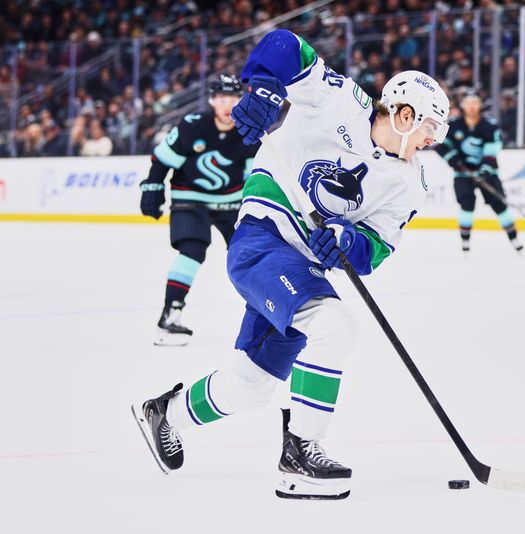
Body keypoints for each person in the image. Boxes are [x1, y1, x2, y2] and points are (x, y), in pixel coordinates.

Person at [132, 29, 450, 500]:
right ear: (405, 114)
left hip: (301, 270)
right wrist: (264, 88)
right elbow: (283, 44)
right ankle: (302, 452)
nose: (430, 141)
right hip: (261, 241)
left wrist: (346, 240)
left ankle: (167, 413)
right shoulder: (340, 100)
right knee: (336, 325)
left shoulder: (411, 181)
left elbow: (376, 247)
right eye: (428, 129)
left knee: (252, 386)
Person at [138, 73, 259, 346]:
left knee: (250, 254)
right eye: (222, 98)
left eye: (234, 97)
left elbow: (255, 177)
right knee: (192, 250)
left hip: (231, 202)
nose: (228, 104)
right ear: (212, 100)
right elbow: (162, 160)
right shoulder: (192, 127)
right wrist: (153, 186)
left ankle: (265, 313)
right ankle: (170, 317)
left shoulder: (248, 132)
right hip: (190, 198)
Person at [435, 90, 523, 252]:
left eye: (474, 102)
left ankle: (514, 239)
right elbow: (439, 145)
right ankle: (465, 241)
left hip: (487, 173)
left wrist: (484, 171)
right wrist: (454, 160)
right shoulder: (454, 125)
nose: (471, 107)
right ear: (463, 105)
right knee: (467, 203)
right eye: (468, 103)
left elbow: (492, 151)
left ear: (480, 104)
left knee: (499, 204)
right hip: (463, 173)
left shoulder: (489, 125)